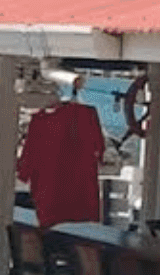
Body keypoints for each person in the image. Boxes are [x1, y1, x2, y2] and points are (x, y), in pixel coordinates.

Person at [15, 83, 106, 230]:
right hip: (82, 202)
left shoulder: (38, 124)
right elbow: (100, 150)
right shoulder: (87, 115)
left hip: (50, 203)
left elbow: (25, 168)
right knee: (84, 243)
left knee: (53, 244)